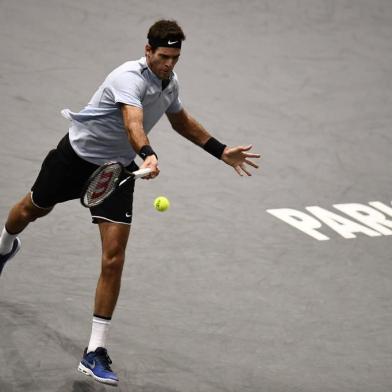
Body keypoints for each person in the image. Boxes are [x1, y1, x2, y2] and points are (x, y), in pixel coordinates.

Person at [0, 20, 260, 386]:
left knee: (114, 256)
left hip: (118, 170)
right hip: (74, 158)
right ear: (148, 50)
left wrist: (220, 151)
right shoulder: (128, 77)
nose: (169, 64)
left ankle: (94, 351)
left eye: (175, 57)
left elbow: (180, 119)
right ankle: (3, 247)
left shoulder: (170, 83)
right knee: (30, 210)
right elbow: (132, 121)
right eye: (164, 56)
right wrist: (148, 154)